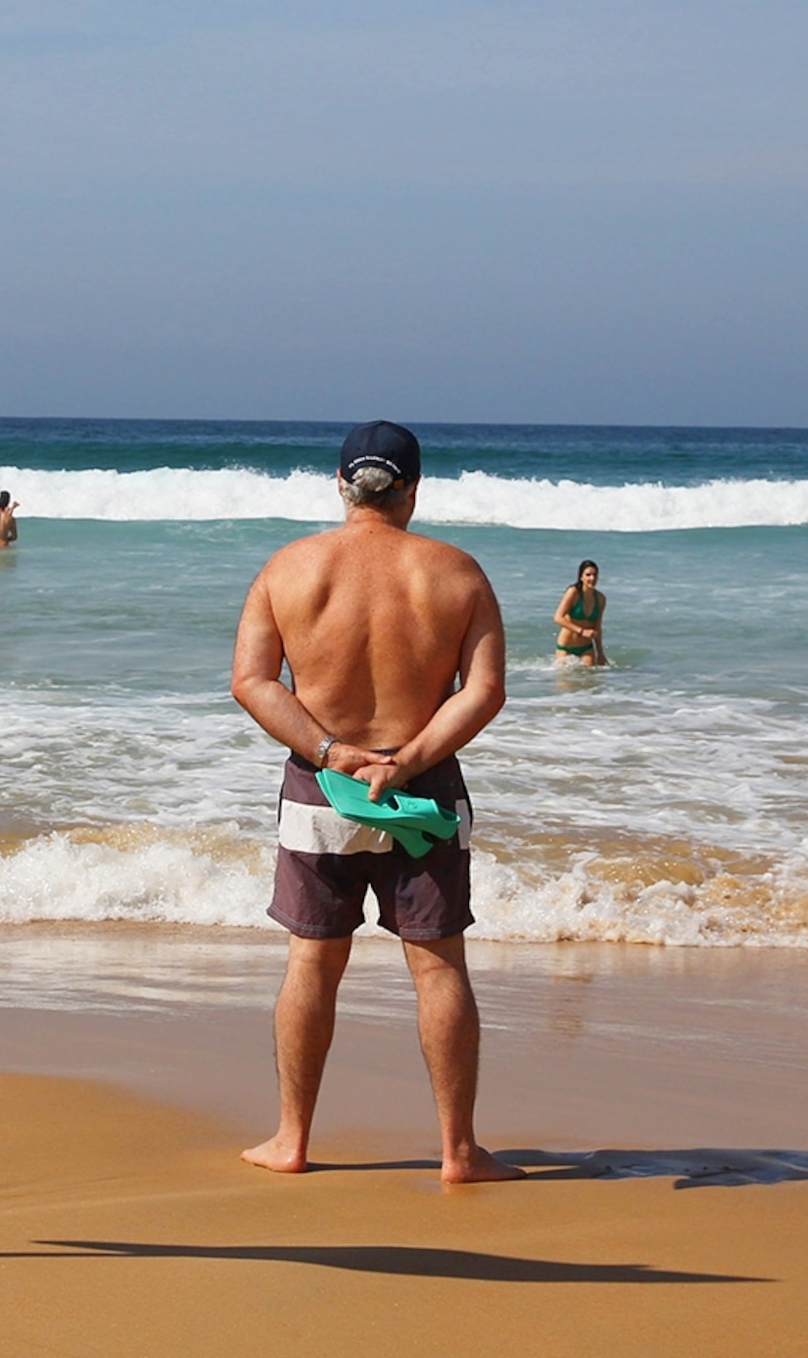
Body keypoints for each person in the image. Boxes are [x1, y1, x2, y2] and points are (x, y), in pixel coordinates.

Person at [227, 420, 519, 1185]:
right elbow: (485, 691)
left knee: (313, 961)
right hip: (423, 795)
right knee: (438, 967)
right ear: (413, 490)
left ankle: (291, 1140)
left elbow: (252, 683)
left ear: (340, 484)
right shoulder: (457, 573)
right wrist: (410, 759)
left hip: (321, 791)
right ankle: (459, 1151)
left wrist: (333, 753)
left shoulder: (288, 569)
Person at [551, 560, 608, 668]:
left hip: (586, 648)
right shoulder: (573, 592)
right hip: (566, 646)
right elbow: (558, 618)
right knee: (565, 677)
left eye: (595, 575)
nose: (592, 578)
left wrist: (600, 653)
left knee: (591, 677)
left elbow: (597, 627)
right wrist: (582, 631)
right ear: (581, 577)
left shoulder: (600, 599)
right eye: (588, 575)